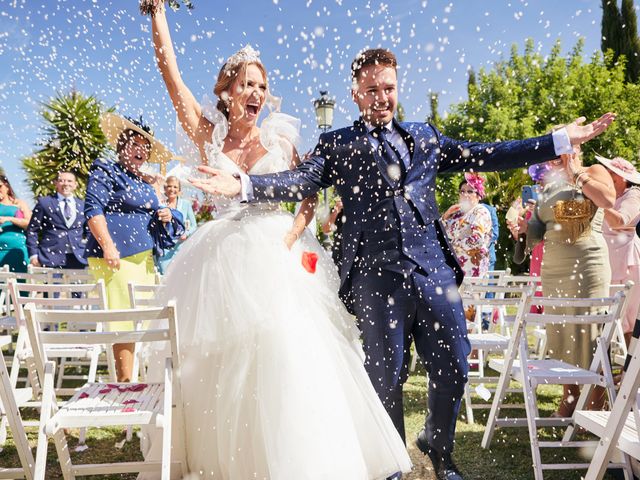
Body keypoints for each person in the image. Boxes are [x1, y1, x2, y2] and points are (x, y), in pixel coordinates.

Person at [193, 46, 616, 480]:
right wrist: (244, 183)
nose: (381, 97)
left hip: (433, 270)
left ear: (398, 88)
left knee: (454, 364)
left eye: (389, 88)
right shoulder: (338, 143)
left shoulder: (426, 137)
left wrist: (557, 142)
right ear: (356, 93)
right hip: (375, 279)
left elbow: (486, 153)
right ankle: (393, 464)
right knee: (385, 379)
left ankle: (437, 443)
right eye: (371, 89)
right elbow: (298, 180)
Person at [143, 6, 412, 480]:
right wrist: (157, 13)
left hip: (279, 252)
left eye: (262, 86)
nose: (257, 93)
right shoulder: (209, 137)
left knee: (290, 346)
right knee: (223, 357)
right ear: (227, 91)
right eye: (247, 84)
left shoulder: (281, 137)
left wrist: (292, 234)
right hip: (221, 258)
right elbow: (170, 75)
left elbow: (305, 193)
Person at [516, 143, 616, 418]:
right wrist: (524, 229)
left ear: (576, 149)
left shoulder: (594, 171)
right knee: (560, 334)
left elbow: (608, 199)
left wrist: (575, 173)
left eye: (562, 148)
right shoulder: (549, 186)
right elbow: (541, 229)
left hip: (587, 265)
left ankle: (597, 407)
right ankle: (569, 401)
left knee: (589, 335)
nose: (554, 156)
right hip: (554, 268)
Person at [85, 113, 182, 383]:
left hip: (145, 258)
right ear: (121, 147)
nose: (140, 149)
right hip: (116, 257)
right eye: (134, 143)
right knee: (123, 320)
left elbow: (155, 213)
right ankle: (125, 385)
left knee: (145, 319)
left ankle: (144, 381)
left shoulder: (146, 182)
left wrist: (165, 214)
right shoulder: (106, 170)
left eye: (145, 146)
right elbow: (93, 209)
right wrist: (108, 245)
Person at [598, 155, 640, 340]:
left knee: (629, 315)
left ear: (622, 177)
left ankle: (631, 367)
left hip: (629, 262)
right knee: (608, 315)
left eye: (611, 173)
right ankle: (603, 365)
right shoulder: (611, 196)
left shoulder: (633, 195)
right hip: (611, 261)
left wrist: (597, 200)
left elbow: (620, 222)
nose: (607, 175)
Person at [26, 171, 88, 270]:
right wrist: (33, 255)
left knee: (76, 286)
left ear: (75, 185)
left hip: (78, 258)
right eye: (61, 181)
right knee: (53, 285)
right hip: (50, 257)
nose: (66, 184)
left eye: (69, 181)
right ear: (56, 183)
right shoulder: (44, 203)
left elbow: (89, 231)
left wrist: (88, 251)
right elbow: (32, 230)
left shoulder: (83, 205)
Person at [442, 173, 493, 279]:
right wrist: (445, 216)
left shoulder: (480, 211)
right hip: (453, 268)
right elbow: (440, 235)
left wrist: (453, 247)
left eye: (470, 191)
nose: (465, 194)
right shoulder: (456, 213)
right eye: (462, 191)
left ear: (478, 195)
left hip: (472, 267)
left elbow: (477, 239)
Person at [154, 175, 197, 274]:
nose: (172, 189)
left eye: (175, 187)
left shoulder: (186, 204)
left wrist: (186, 234)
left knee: (180, 278)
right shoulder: (161, 204)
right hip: (165, 250)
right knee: (164, 277)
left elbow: (194, 226)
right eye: (169, 186)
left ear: (179, 190)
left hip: (182, 249)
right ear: (165, 188)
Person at [0, 175, 31, 273]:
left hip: (16, 249)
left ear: (7, 187)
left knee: (19, 282)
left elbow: (29, 224)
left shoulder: (19, 204)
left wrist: (9, 219)